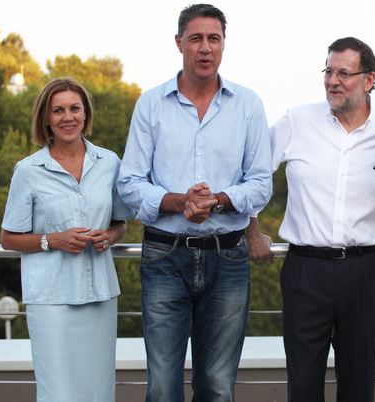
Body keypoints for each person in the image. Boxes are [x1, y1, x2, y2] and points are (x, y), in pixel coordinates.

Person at [247, 37, 375, 402]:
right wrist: (252, 228)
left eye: (344, 73)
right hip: (305, 271)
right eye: (328, 71)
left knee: (358, 386)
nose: (332, 81)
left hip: (366, 272)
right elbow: (254, 172)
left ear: (369, 79)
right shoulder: (297, 121)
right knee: (302, 386)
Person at [116, 4, 272, 401]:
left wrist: (216, 201)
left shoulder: (248, 104)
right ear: (179, 43)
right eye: (196, 38)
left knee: (217, 388)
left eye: (213, 38)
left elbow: (261, 184)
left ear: (224, 44)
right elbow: (129, 183)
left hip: (228, 258)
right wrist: (179, 202)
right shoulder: (151, 104)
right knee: (162, 387)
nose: (205, 47)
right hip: (164, 256)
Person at [0, 77, 130, 401]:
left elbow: (120, 224)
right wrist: (53, 240)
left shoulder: (110, 163)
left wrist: (109, 237)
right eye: (58, 110)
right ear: (46, 118)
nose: (67, 117)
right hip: (51, 298)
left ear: (85, 113)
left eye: (75, 108)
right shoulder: (28, 170)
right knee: (58, 393)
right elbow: (9, 238)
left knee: (98, 392)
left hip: (100, 295)